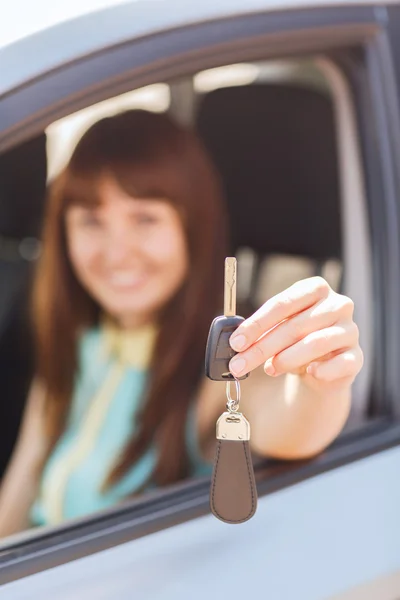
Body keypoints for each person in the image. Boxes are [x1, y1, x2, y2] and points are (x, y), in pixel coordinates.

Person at [0, 109, 363, 536]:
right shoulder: (78, 342)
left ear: (193, 227)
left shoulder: (224, 361)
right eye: (91, 221)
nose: (117, 253)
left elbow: (290, 424)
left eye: (145, 219)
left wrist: (321, 380)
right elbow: (21, 489)